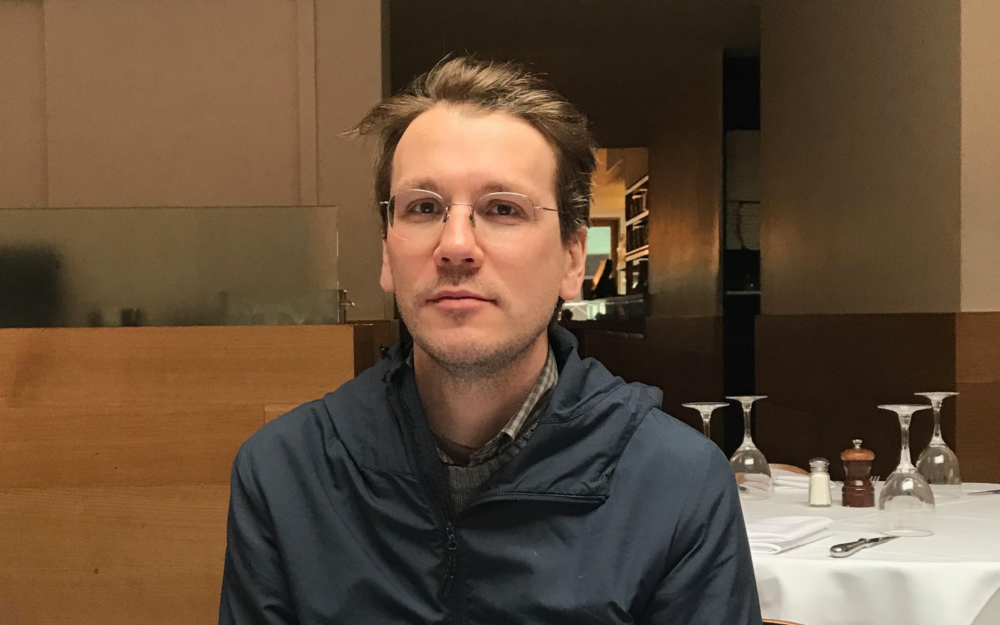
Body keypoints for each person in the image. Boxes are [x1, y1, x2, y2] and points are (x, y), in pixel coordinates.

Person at [219, 56, 761, 624]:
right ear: (386, 251)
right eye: (424, 207)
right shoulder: (286, 474)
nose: (456, 244)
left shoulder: (676, 485)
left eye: (503, 209)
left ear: (572, 258)